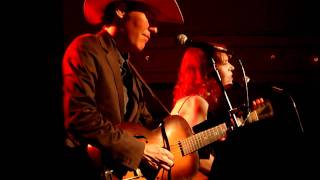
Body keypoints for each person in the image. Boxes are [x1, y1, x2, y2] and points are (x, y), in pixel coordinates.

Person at [61, 0, 184, 179]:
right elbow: (81, 117)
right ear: (120, 10)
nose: (155, 29)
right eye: (149, 18)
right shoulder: (87, 48)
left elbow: (148, 128)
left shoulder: (130, 71)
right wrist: (139, 150)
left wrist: (190, 136)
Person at [170, 44, 266, 179]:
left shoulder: (193, 101)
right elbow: (188, 156)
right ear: (209, 70)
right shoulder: (197, 103)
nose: (232, 67)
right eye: (225, 63)